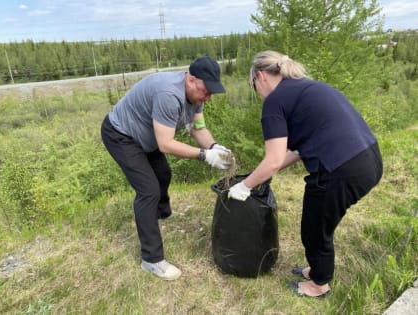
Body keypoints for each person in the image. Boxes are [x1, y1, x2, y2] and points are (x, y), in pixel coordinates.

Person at [228, 50, 383, 297]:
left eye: (253, 86)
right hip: (369, 160)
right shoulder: (308, 88)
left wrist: (244, 186)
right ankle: (318, 270)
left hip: (340, 168)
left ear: (260, 77)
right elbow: (297, 150)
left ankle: (319, 285)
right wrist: (262, 174)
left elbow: (274, 158)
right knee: (322, 222)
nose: (257, 93)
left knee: (315, 227)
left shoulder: (275, 101)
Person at [101, 56, 233, 281]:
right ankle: (151, 260)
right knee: (148, 191)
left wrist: (213, 146)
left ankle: (161, 214)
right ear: (191, 80)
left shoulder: (197, 96)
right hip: (121, 135)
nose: (208, 98)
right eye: (206, 91)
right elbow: (166, 144)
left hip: (148, 136)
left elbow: (197, 127)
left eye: (211, 92)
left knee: (163, 173)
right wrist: (205, 156)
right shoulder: (168, 95)